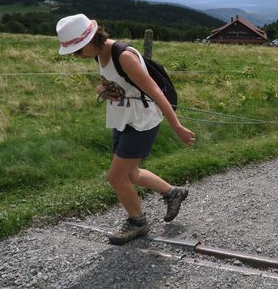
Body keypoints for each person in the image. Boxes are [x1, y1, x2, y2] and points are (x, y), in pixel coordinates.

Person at [55, 14, 195, 245]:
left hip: (141, 123)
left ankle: (137, 222)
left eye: (78, 50)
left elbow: (156, 93)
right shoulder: (99, 54)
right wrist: (102, 89)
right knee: (131, 174)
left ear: (92, 39)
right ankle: (173, 193)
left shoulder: (124, 56)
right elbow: (106, 82)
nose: (76, 56)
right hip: (122, 119)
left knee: (115, 177)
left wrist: (177, 126)